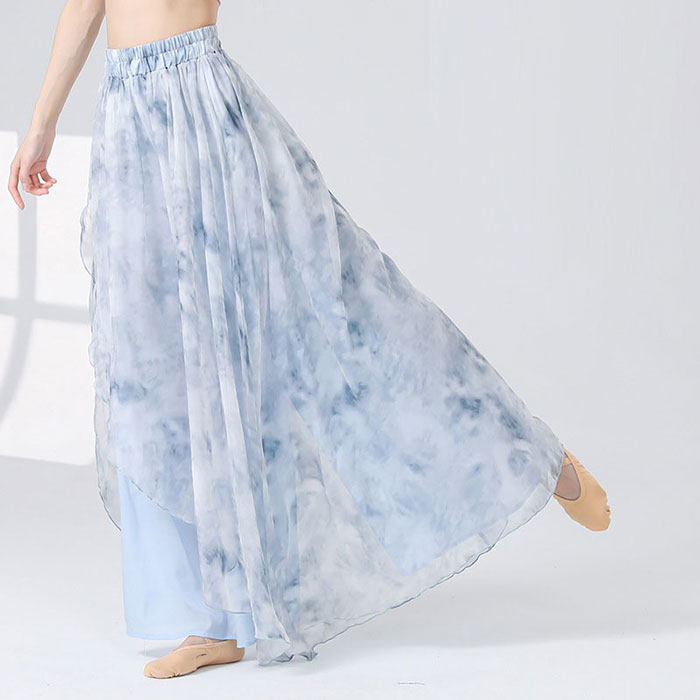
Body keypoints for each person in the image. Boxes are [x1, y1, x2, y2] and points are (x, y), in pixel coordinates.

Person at [7, 0, 611, 679]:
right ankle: (216, 616)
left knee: (338, 316)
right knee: (152, 367)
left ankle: (529, 457)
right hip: (125, 111)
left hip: (198, 106)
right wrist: (42, 123)